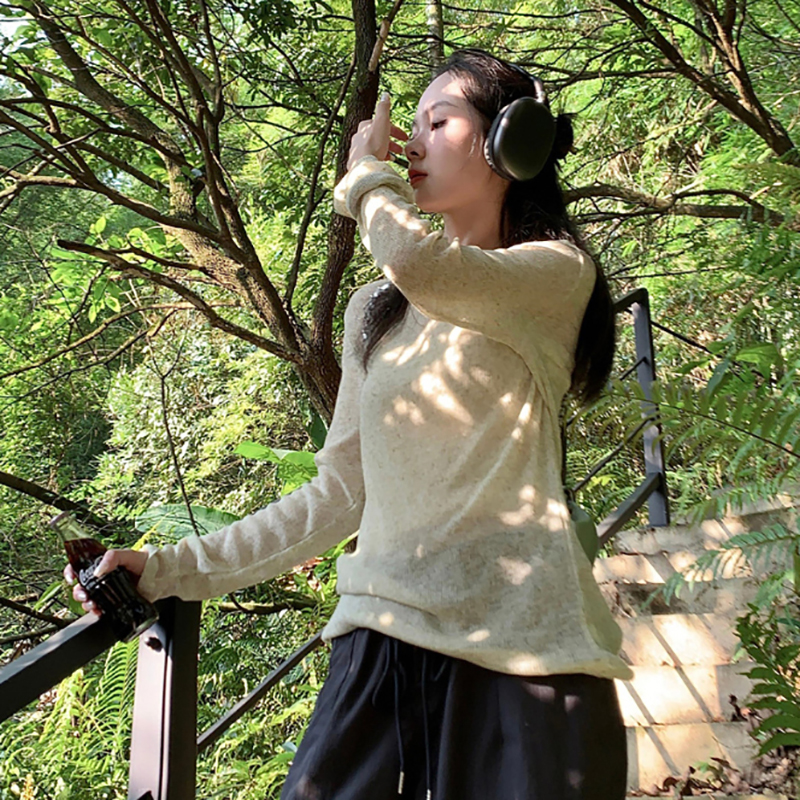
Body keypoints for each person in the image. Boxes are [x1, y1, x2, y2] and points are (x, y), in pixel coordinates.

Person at [65, 48, 633, 800]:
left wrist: (367, 173)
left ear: (509, 142)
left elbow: (423, 266)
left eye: (438, 122)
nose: (411, 143)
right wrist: (169, 568)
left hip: (529, 650)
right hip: (381, 640)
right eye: (411, 126)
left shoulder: (555, 273)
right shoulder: (375, 310)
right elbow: (337, 493)